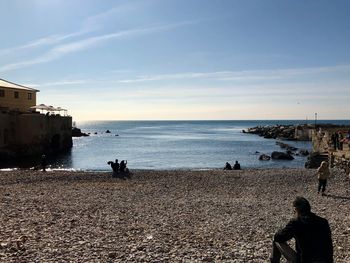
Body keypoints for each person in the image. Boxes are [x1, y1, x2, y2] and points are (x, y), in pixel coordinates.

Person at [270, 196, 333, 263]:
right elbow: (329, 246)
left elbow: (279, 237)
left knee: (276, 240)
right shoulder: (323, 222)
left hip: (304, 261)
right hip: (323, 261)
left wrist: (280, 231)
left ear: (296, 210)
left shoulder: (296, 222)